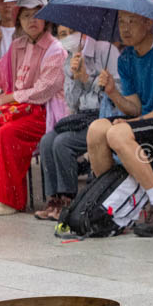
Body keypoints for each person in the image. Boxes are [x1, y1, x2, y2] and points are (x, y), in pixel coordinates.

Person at [85, 11, 153, 237]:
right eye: (122, 22)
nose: (124, 29)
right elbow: (135, 106)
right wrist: (113, 93)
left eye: (131, 22)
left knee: (117, 134)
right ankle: (112, 199)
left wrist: (136, 122)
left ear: (148, 21)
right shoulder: (126, 58)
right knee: (96, 129)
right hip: (150, 121)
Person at [0, 0, 67, 215]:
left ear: (46, 19)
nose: (31, 20)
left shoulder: (56, 50)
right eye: (25, 16)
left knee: (8, 134)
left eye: (37, 15)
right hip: (18, 110)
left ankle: (11, 200)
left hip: (42, 113)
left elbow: (44, 90)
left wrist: (10, 97)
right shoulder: (17, 45)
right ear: (19, 20)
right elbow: (2, 78)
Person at [35, 33, 122, 221]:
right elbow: (72, 103)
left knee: (62, 143)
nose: (68, 37)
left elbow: (115, 98)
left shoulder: (107, 51)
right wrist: (76, 78)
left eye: (71, 32)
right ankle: (54, 200)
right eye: (63, 33)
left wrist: (87, 79)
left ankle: (69, 200)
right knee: (47, 141)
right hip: (82, 117)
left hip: (104, 116)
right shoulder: (69, 58)